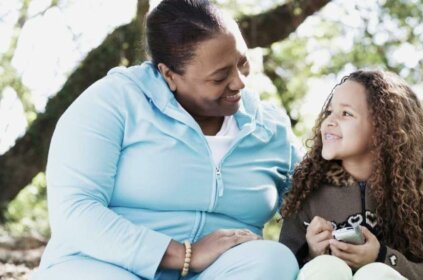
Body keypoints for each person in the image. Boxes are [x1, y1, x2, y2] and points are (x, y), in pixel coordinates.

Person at [33, 0, 301, 279]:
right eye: (220, 77)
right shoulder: (114, 102)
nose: (239, 83)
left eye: (242, 62)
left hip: (217, 271)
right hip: (103, 266)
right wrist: (184, 253)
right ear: (169, 75)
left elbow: (313, 195)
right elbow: (75, 212)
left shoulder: (270, 126)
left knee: (275, 261)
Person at [278, 70, 423, 280]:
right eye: (329, 112)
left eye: (346, 113)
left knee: (376, 274)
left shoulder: (421, 190)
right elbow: (282, 268)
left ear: (382, 128)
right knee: (326, 267)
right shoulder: (308, 189)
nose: (328, 122)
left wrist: (383, 257)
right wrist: (312, 253)